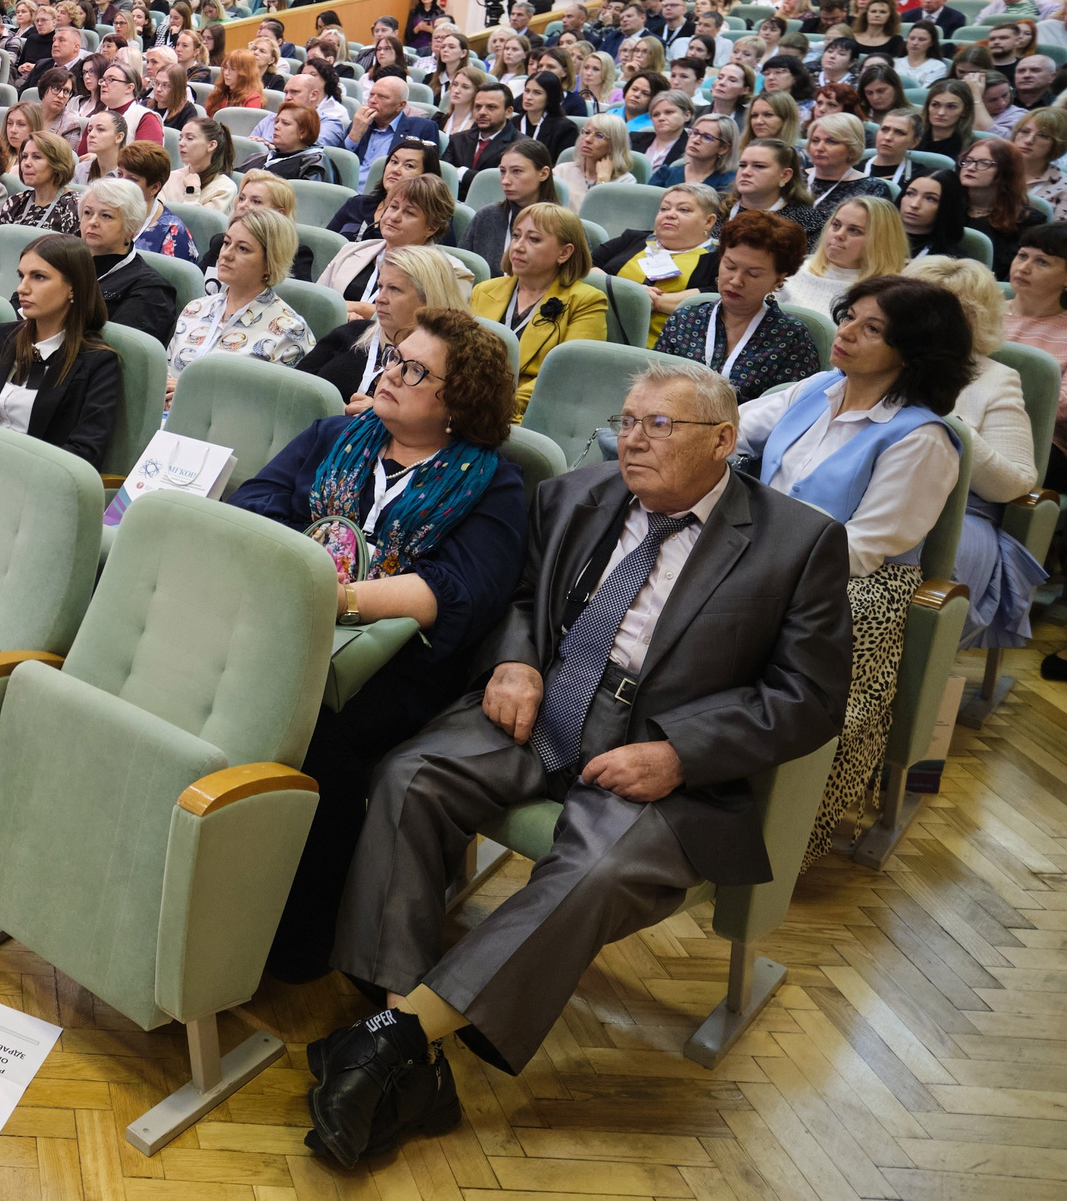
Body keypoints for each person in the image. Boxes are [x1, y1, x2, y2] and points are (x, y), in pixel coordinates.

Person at [301, 363, 850, 1168]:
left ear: (723, 441)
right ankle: (411, 1052)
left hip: (659, 738)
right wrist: (515, 660)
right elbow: (523, 598)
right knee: (407, 777)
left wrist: (681, 752)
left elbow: (810, 695)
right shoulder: (573, 494)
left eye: (659, 425)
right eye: (627, 420)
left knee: (598, 867)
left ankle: (393, 1040)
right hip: (546, 700)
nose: (633, 439)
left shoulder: (797, 542)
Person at [238, 308, 525, 988]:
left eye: (416, 370)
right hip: (285, 622)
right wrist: (306, 576)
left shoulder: (492, 482)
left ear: (460, 400)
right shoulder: (336, 434)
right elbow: (257, 502)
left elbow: (457, 592)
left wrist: (336, 597)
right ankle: (220, 883)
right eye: (396, 357)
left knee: (318, 736)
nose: (390, 373)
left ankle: (297, 940)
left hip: (397, 661)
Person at [735, 276, 968, 859]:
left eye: (873, 329)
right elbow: (731, 427)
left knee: (793, 638)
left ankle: (782, 829)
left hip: (857, 582)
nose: (846, 332)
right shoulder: (817, 388)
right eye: (849, 317)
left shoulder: (921, 437)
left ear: (910, 352)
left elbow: (868, 546)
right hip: (767, 552)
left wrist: (762, 564)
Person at [899, 256, 1048, 656]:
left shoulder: (996, 378)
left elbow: (1015, 483)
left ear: (970, 320)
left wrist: (951, 423)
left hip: (958, 513)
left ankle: (900, 676)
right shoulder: (875, 357)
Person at [0, 235, 122, 469]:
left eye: (39, 277)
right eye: (22, 276)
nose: (22, 288)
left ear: (73, 287)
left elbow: (84, 453)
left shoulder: (97, 363)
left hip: (34, 482)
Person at [652, 212, 819, 402]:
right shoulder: (685, 320)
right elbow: (653, 386)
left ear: (778, 280)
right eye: (730, 267)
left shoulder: (791, 338)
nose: (736, 281)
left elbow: (793, 409)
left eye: (753, 274)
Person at [468, 205, 610, 418]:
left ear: (564, 253)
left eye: (533, 239)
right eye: (516, 236)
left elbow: (566, 377)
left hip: (529, 414)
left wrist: (496, 406)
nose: (518, 246)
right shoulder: (484, 290)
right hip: (469, 403)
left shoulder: (586, 301)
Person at [1002, 223, 1067, 488]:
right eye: (1022, 256)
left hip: (1042, 440)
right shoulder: (980, 311)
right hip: (970, 422)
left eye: (1042, 262)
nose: (1024, 268)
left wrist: (995, 401)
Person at [164, 208, 312, 399]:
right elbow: (166, 373)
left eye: (243, 249)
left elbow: (269, 406)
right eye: (226, 243)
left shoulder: (289, 331)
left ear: (270, 262)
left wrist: (191, 393)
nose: (226, 254)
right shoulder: (195, 308)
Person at [297, 246, 469, 409]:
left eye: (394, 289)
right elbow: (296, 389)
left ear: (428, 298)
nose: (379, 299)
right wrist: (331, 408)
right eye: (380, 287)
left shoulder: (449, 360)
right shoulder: (352, 333)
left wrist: (378, 416)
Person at [595, 183, 725, 346]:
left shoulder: (719, 257)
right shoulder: (633, 239)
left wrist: (648, 300)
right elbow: (585, 265)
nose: (670, 214)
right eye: (664, 208)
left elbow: (714, 298)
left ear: (709, 221)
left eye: (683, 210)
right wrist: (634, 293)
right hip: (598, 331)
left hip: (664, 348)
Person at [322, 175, 460, 316]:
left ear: (432, 227)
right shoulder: (351, 250)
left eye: (409, 212)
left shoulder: (451, 273)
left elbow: (437, 323)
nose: (394, 217)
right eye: (393, 207)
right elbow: (319, 303)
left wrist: (360, 310)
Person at [75, 176, 180, 344]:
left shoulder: (150, 289)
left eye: (106, 216)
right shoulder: (62, 264)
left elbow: (120, 349)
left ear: (131, 227)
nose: (93, 222)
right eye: (88, 213)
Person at [780, 195, 906, 316]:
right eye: (836, 225)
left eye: (854, 230)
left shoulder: (888, 295)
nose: (839, 234)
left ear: (881, 241)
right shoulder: (792, 269)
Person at [459, 140, 555, 275]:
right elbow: (462, 270)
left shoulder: (560, 224)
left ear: (543, 174)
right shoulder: (487, 216)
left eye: (517, 171)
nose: (505, 180)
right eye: (503, 171)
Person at [957, 137, 1047, 277]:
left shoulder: (1028, 221)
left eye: (984, 163)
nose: (970, 168)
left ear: (1006, 171)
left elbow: (1016, 272)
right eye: (967, 161)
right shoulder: (947, 206)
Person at [329, 141, 443, 243]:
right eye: (394, 161)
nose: (396, 170)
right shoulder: (357, 204)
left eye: (409, 166)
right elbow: (328, 245)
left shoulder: (430, 218)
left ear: (426, 177)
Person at [1009, 107, 1067, 219]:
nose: (1028, 140)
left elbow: (1062, 229)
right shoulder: (993, 170)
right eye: (1025, 131)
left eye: (1043, 135)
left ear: (1058, 143)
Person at [898, 169, 971, 261]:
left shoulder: (952, 260)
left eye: (930, 199)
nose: (914, 204)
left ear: (947, 206)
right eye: (910, 193)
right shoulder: (880, 234)